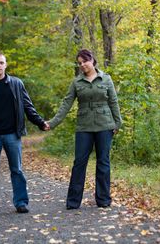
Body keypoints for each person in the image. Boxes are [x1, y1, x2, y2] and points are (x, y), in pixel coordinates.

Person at [0, 52, 50, 216]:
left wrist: (40, 122)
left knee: (17, 170)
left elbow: (28, 107)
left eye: (1, 63)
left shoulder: (16, 83)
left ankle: (21, 203)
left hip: (13, 135)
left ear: (6, 65)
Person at [48, 49, 122, 209]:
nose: (82, 65)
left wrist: (118, 123)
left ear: (92, 60)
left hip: (105, 125)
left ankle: (103, 200)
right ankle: (73, 202)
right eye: (79, 63)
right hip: (84, 126)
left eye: (85, 62)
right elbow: (66, 104)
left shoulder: (106, 79)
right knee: (79, 163)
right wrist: (52, 123)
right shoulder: (76, 82)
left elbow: (114, 102)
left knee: (103, 162)